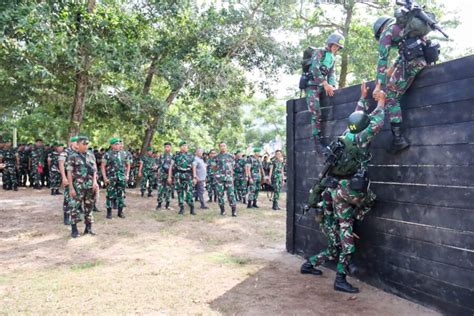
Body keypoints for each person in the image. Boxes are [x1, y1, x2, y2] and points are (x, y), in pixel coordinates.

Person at [301, 83, 386, 294]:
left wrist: (363, 98)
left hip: (334, 193)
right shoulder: (359, 138)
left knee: (337, 240)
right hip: (347, 193)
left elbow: (358, 117)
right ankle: (340, 278)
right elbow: (376, 123)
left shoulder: (345, 134)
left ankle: (311, 264)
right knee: (349, 237)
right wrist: (382, 101)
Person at [372, 15, 427, 153]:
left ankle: (398, 140)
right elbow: (404, 50)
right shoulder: (403, 27)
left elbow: (382, 59)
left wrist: (378, 86)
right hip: (423, 58)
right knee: (393, 87)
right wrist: (393, 69)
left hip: (412, 63)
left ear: (381, 29)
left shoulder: (387, 32)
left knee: (390, 97)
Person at [305, 33, 345, 153]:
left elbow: (331, 73)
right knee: (316, 113)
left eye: (338, 47)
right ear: (330, 43)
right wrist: (325, 83)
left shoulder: (332, 57)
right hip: (312, 85)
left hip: (322, 86)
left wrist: (332, 85)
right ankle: (316, 141)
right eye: (335, 46)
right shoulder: (320, 52)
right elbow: (314, 69)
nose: (336, 48)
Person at [66, 136, 99, 238]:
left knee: (89, 206)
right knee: (74, 207)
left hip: (90, 186)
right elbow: (69, 172)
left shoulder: (90, 155)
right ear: (78, 144)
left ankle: (88, 228)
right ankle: (74, 230)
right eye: (83, 144)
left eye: (87, 144)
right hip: (78, 186)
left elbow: (94, 170)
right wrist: (71, 187)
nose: (86, 146)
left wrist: (95, 182)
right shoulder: (73, 156)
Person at [102, 137, 130, 219]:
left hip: (121, 178)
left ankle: (120, 212)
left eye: (119, 144)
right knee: (110, 195)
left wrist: (127, 175)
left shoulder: (124, 154)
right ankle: (109, 212)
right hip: (111, 177)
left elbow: (128, 164)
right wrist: (104, 177)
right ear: (112, 145)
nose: (118, 145)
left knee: (121, 195)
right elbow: (103, 166)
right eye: (116, 144)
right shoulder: (107, 154)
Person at [168, 141, 196, 215]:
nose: (185, 147)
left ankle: (191, 207)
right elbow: (171, 166)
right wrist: (169, 177)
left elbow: (194, 167)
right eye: (183, 146)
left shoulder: (191, 155)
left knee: (189, 193)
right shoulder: (175, 155)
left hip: (188, 175)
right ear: (180, 147)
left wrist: (195, 177)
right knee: (180, 192)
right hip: (178, 175)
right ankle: (181, 208)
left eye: (186, 146)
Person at [215, 142, 237, 217]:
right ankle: (222, 210)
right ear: (219, 147)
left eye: (224, 146)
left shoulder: (231, 156)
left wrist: (230, 174)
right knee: (220, 194)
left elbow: (233, 167)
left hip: (229, 178)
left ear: (226, 147)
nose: (222, 147)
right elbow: (214, 167)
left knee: (231, 194)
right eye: (221, 146)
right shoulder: (216, 157)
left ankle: (233, 211)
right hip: (219, 178)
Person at [156, 142, 173, 210]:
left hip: (169, 176)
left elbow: (174, 166)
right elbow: (158, 165)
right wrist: (157, 172)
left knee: (168, 190)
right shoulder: (161, 156)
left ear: (170, 148)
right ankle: (159, 204)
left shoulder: (173, 156)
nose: (167, 148)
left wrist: (171, 176)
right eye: (166, 147)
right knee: (160, 190)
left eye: (168, 147)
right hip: (161, 175)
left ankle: (167, 205)